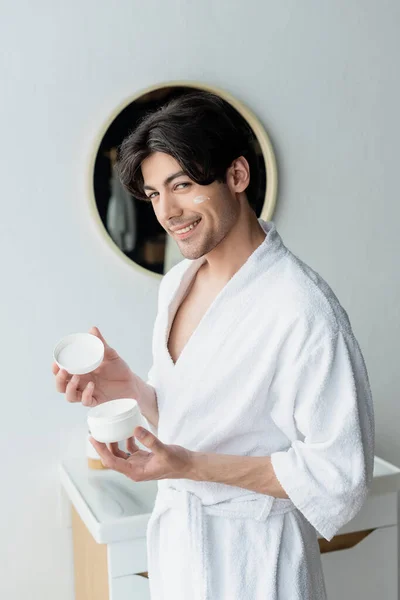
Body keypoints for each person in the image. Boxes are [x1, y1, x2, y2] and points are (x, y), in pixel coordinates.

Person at [53, 91, 375, 600]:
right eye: (155, 193)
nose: (168, 210)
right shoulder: (177, 285)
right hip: (183, 555)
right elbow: (204, 418)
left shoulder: (303, 310)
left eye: (182, 185)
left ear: (237, 176)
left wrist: (189, 467)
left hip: (259, 565)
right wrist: (130, 388)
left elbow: (340, 477)